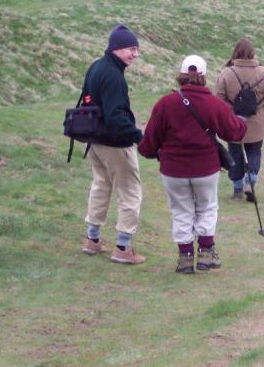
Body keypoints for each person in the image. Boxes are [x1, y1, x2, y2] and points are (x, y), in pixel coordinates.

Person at [138, 55, 247, 274]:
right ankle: (206, 252)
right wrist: (242, 121)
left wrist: (151, 152)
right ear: (204, 76)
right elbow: (235, 131)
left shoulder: (165, 103)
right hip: (205, 168)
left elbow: (148, 143)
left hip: (173, 170)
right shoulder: (214, 104)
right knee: (207, 207)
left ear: (181, 75)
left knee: (181, 211)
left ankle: (185, 258)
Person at [81, 24, 146, 264]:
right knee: (130, 192)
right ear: (116, 48)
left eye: (136, 49)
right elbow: (116, 117)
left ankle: (92, 240)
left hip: (94, 140)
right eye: (131, 49)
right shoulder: (113, 76)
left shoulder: (97, 66)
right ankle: (123, 248)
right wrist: (139, 137)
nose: (135, 54)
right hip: (115, 144)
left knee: (101, 186)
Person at [215, 38, 264, 201]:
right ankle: (251, 180)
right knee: (254, 151)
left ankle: (238, 190)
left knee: (235, 154)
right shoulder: (263, 73)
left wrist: (231, 110)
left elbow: (218, 101)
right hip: (257, 125)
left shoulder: (226, 73)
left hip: (233, 123)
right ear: (252, 52)